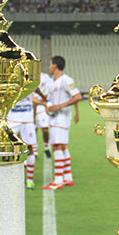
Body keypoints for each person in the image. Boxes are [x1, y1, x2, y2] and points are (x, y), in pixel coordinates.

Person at [42, 56, 82, 190]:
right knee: (63, 146)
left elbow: (77, 96)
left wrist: (59, 107)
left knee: (57, 146)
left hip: (61, 118)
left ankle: (58, 180)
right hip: (55, 118)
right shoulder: (52, 81)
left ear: (55, 65)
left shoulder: (66, 80)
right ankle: (68, 177)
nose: (49, 67)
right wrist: (50, 108)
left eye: (50, 64)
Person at [8, 92, 39, 189]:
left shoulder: (28, 79)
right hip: (13, 117)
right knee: (9, 148)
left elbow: (34, 90)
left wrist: (41, 98)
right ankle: (12, 179)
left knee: (30, 148)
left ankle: (30, 180)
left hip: (26, 117)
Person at [34, 71, 53, 159]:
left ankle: (46, 148)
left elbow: (50, 90)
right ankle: (35, 151)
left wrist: (47, 103)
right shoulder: (27, 76)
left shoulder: (45, 76)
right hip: (31, 106)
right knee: (33, 130)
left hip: (42, 106)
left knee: (45, 129)